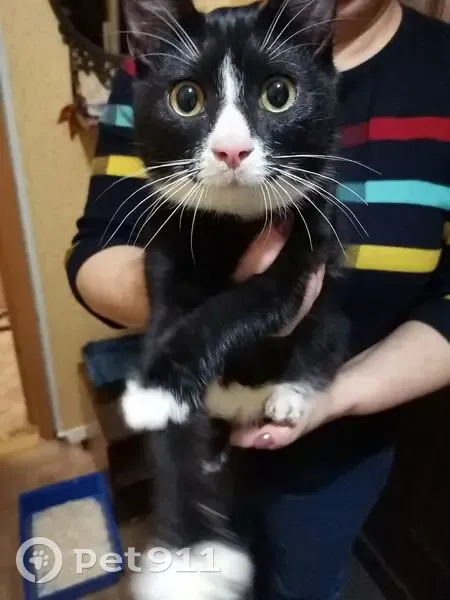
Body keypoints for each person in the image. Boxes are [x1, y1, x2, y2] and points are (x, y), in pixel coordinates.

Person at [65, 1, 450, 598]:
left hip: (340, 450)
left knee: (303, 583)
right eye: (188, 101)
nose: (231, 146)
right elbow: (96, 247)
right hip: (203, 421)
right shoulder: (183, 41)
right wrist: (190, 301)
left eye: (276, 95)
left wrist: (332, 396)